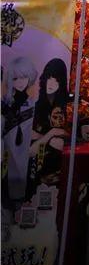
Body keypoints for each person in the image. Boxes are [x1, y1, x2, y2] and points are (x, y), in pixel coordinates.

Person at [2, 56, 38, 212]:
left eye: (23, 77)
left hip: (26, 150)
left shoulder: (33, 101)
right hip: (8, 151)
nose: (20, 82)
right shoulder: (6, 101)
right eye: (15, 78)